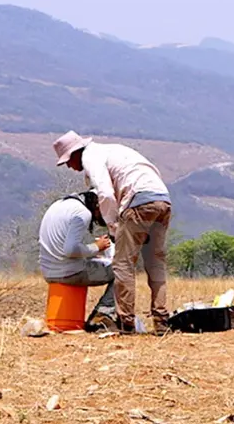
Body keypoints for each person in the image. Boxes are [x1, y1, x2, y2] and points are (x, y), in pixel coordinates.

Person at [53, 130, 172, 334]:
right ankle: (161, 321)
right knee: (155, 262)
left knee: (123, 263)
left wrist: (113, 226)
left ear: (75, 153)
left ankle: (126, 322)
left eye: (68, 162)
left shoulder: (91, 157)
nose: (70, 167)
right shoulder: (114, 150)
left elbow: (106, 193)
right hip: (162, 199)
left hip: (137, 201)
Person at [38, 191, 117, 330]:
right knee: (122, 271)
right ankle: (102, 315)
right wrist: (96, 247)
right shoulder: (82, 213)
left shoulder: (59, 205)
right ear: (98, 205)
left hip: (49, 271)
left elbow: (61, 248)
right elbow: (70, 250)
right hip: (69, 273)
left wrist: (91, 253)